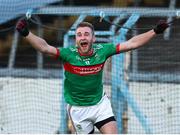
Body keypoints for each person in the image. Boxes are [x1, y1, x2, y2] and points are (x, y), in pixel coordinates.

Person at [16, 18, 169, 134]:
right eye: (79, 35)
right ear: (76, 39)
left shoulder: (102, 50)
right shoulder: (68, 54)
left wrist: (154, 31)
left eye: (86, 34)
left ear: (93, 39)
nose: (83, 37)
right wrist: (26, 33)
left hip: (99, 105)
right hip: (78, 109)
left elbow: (132, 43)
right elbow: (44, 48)